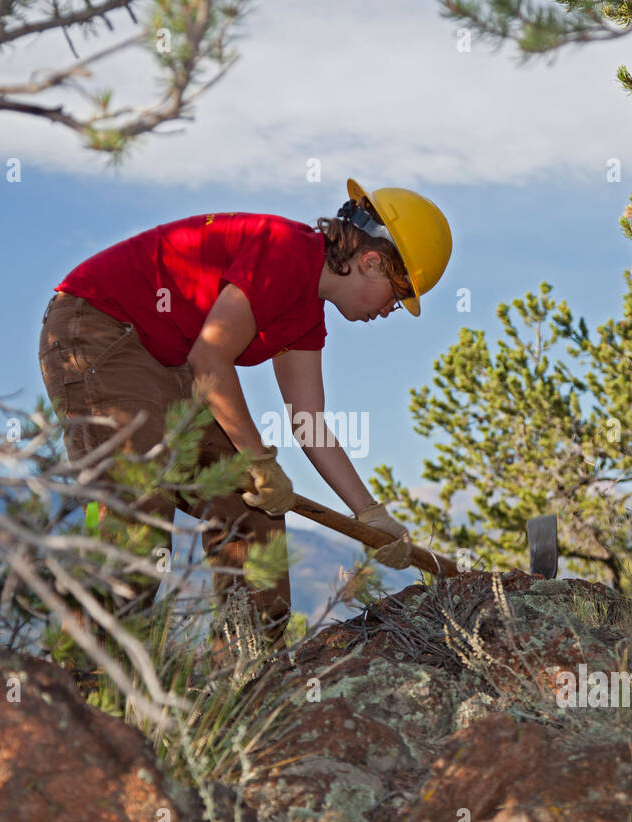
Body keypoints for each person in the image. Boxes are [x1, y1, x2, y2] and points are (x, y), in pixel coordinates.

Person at [38, 177, 452, 657]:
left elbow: (308, 422)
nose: (390, 311)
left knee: (253, 514)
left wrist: (371, 514)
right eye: (398, 295)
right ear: (371, 261)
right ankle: (82, 695)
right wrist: (256, 459)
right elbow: (210, 358)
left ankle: (244, 686)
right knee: (137, 500)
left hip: (168, 359)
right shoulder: (284, 251)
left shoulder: (306, 316)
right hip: (98, 327)